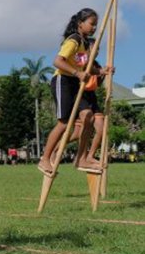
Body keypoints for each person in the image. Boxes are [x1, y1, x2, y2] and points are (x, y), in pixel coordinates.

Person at [38, 9, 112, 176]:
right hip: (62, 81)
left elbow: (85, 67)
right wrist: (77, 73)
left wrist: (101, 71)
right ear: (80, 23)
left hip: (75, 83)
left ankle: (81, 158)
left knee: (88, 116)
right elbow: (57, 61)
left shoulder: (85, 43)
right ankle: (45, 158)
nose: (94, 28)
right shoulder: (73, 40)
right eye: (91, 24)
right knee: (64, 123)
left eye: (95, 25)